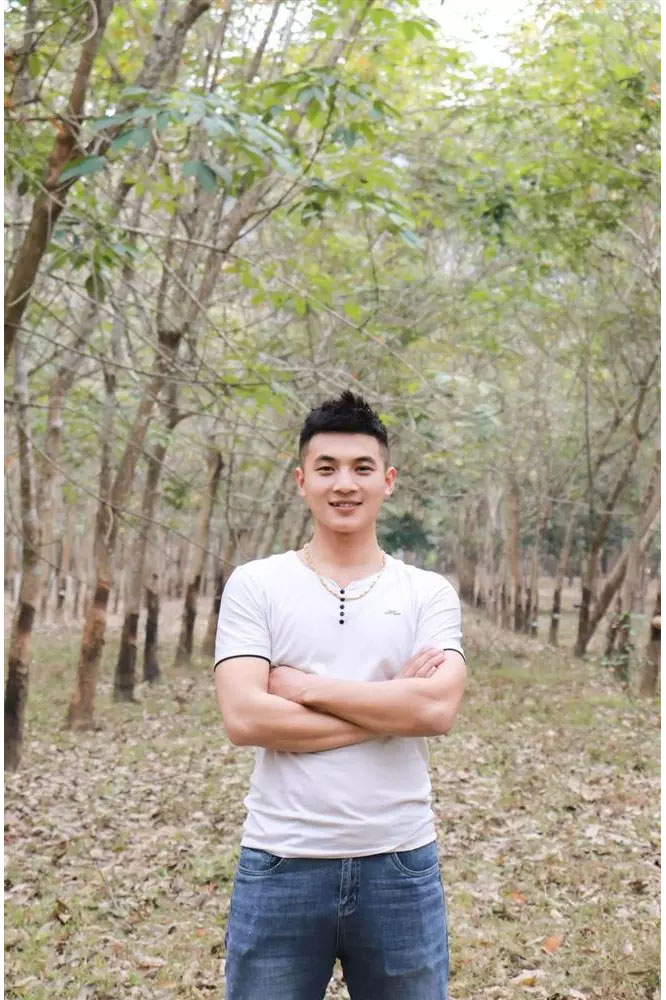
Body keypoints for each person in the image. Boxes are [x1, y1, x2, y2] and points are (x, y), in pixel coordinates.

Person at [214, 390, 466, 1000]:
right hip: (280, 860)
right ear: (301, 481)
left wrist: (305, 688)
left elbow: (435, 709)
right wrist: (392, 704)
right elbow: (245, 718)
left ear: (388, 481)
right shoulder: (256, 584)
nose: (344, 484)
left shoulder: (427, 592)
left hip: (400, 861)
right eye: (326, 468)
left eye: (361, 468)